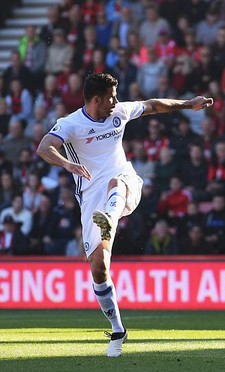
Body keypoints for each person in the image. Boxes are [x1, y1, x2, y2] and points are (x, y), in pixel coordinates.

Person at [36, 73, 212, 357]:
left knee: (116, 184)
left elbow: (153, 105)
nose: (116, 102)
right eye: (111, 97)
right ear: (96, 100)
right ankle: (118, 331)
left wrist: (188, 104)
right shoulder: (71, 124)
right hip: (92, 198)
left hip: (125, 185)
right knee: (98, 267)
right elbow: (44, 147)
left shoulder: (119, 112)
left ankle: (110, 217)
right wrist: (68, 164)